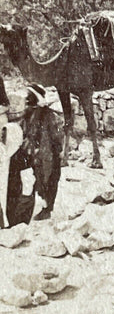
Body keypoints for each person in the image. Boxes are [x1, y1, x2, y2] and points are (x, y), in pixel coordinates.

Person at [6, 84, 63, 225]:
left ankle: (47, 209)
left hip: (48, 156)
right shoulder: (29, 114)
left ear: (35, 99)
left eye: (28, 97)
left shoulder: (49, 116)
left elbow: (55, 139)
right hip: (36, 156)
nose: (25, 100)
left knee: (48, 181)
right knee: (37, 182)